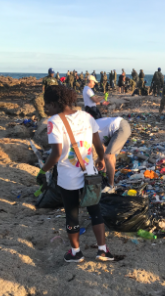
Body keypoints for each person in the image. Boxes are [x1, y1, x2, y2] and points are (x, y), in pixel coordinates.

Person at [37, 85, 114, 263]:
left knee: (72, 214)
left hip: (68, 178)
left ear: (55, 104)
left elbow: (56, 154)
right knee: (95, 212)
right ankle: (102, 250)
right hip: (90, 173)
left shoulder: (54, 122)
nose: (45, 108)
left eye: (47, 104)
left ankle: (76, 252)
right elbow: (97, 143)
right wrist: (101, 159)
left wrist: (43, 171)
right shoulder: (86, 116)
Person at [94, 116, 131, 190]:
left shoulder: (88, 129)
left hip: (120, 127)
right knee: (110, 155)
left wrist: (99, 160)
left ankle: (111, 186)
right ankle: (107, 179)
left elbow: (102, 151)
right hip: (121, 126)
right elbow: (102, 148)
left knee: (108, 156)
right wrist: (100, 160)